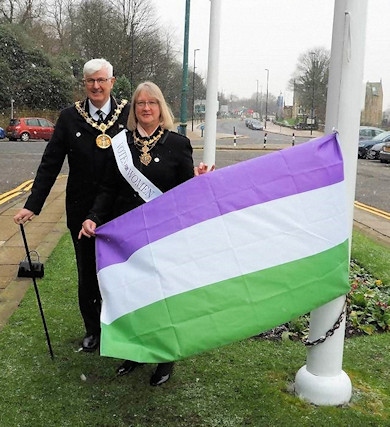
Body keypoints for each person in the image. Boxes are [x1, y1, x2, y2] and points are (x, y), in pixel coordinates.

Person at [79, 81, 213, 386]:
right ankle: (136, 352)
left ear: (161, 107)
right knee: (133, 295)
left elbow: (183, 194)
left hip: (163, 235)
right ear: (134, 109)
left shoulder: (178, 145)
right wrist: (92, 217)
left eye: (152, 102)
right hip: (128, 234)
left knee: (161, 297)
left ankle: (165, 358)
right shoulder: (120, 143)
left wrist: (199, 181)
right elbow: (108, 188)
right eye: (140, 103)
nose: (146, 108)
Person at [13, 58, 131, 352]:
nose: (96, 86)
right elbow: (50, 163)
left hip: (122, 208)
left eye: (102, 80)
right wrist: (33, 204)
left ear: (112, 82)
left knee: (123, 272)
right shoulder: (69, 117)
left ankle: (123, 327)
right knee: (88, 274)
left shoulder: (127, 114)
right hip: (81, 210)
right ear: (84, 84)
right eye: (90, 81)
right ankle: (93, 329)